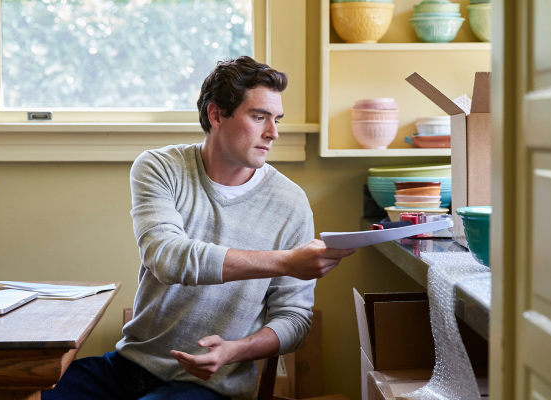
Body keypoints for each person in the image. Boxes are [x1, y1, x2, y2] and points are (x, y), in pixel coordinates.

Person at [41, 56, 355, 400]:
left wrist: (234, 351)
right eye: (259, 117)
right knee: (36, 394)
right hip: (129, 366)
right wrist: (285, 262)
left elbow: (294, 320)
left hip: (210, 386)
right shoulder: (161, 167)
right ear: (216, 115)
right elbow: (166, 256)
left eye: (276, 119)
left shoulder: (290, 203)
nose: (273, 133)